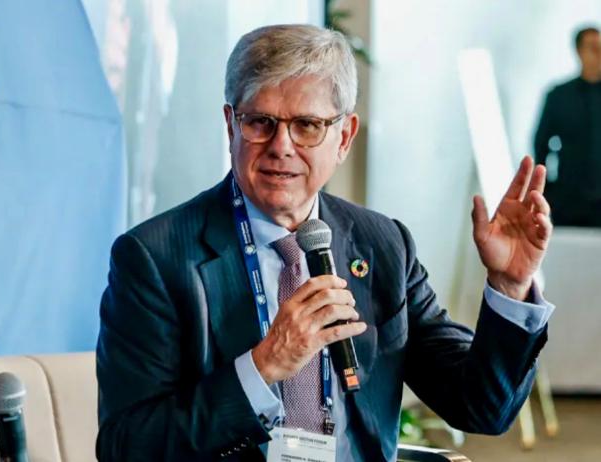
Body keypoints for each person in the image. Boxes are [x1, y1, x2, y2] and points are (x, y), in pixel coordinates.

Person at [96, 24, 555, 461]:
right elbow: (128, 446)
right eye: (260, 122)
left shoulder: (382, 245)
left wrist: (510, 286)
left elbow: (481, 408)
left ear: (344, 136)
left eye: (307, 126)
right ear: (230, 124)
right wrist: (263, 366)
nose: (282, 146)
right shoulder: (154, 257)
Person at [534, 25, 601, 227]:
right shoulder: (559, 95)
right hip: (569, 201)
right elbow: (541, 145)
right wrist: (547, 192)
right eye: (593, 47)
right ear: (579, 51)